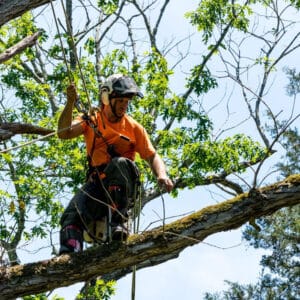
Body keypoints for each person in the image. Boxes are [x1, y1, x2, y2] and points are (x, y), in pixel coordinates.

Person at [57, 74, 173, 254]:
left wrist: (162, 175)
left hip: (122, 186)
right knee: (71, 216)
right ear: (106, 98)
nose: (124, 105)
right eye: (120, 100)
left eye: (127, 101)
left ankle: (119, 224)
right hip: (98, 184)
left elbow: (152, 156)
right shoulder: (92, 119)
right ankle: (70, 253)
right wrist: (70, 102)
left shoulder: (134, 127)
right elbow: (64, 133)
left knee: (118, 164)